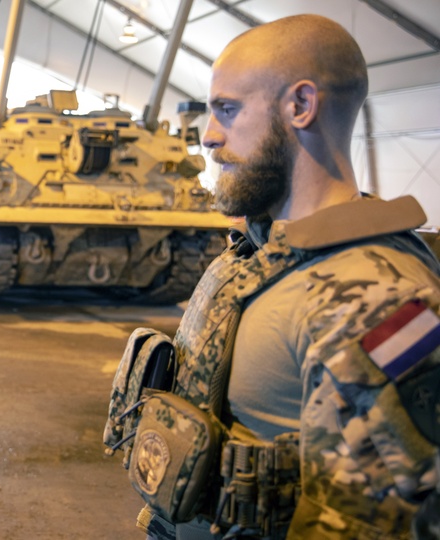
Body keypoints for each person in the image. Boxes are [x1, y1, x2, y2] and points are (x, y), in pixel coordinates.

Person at [105, 14, 440, 539]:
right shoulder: (254, 254)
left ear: (301, 106)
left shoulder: (379, 297)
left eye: (228, 110)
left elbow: (386, 521)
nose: (209, 138)